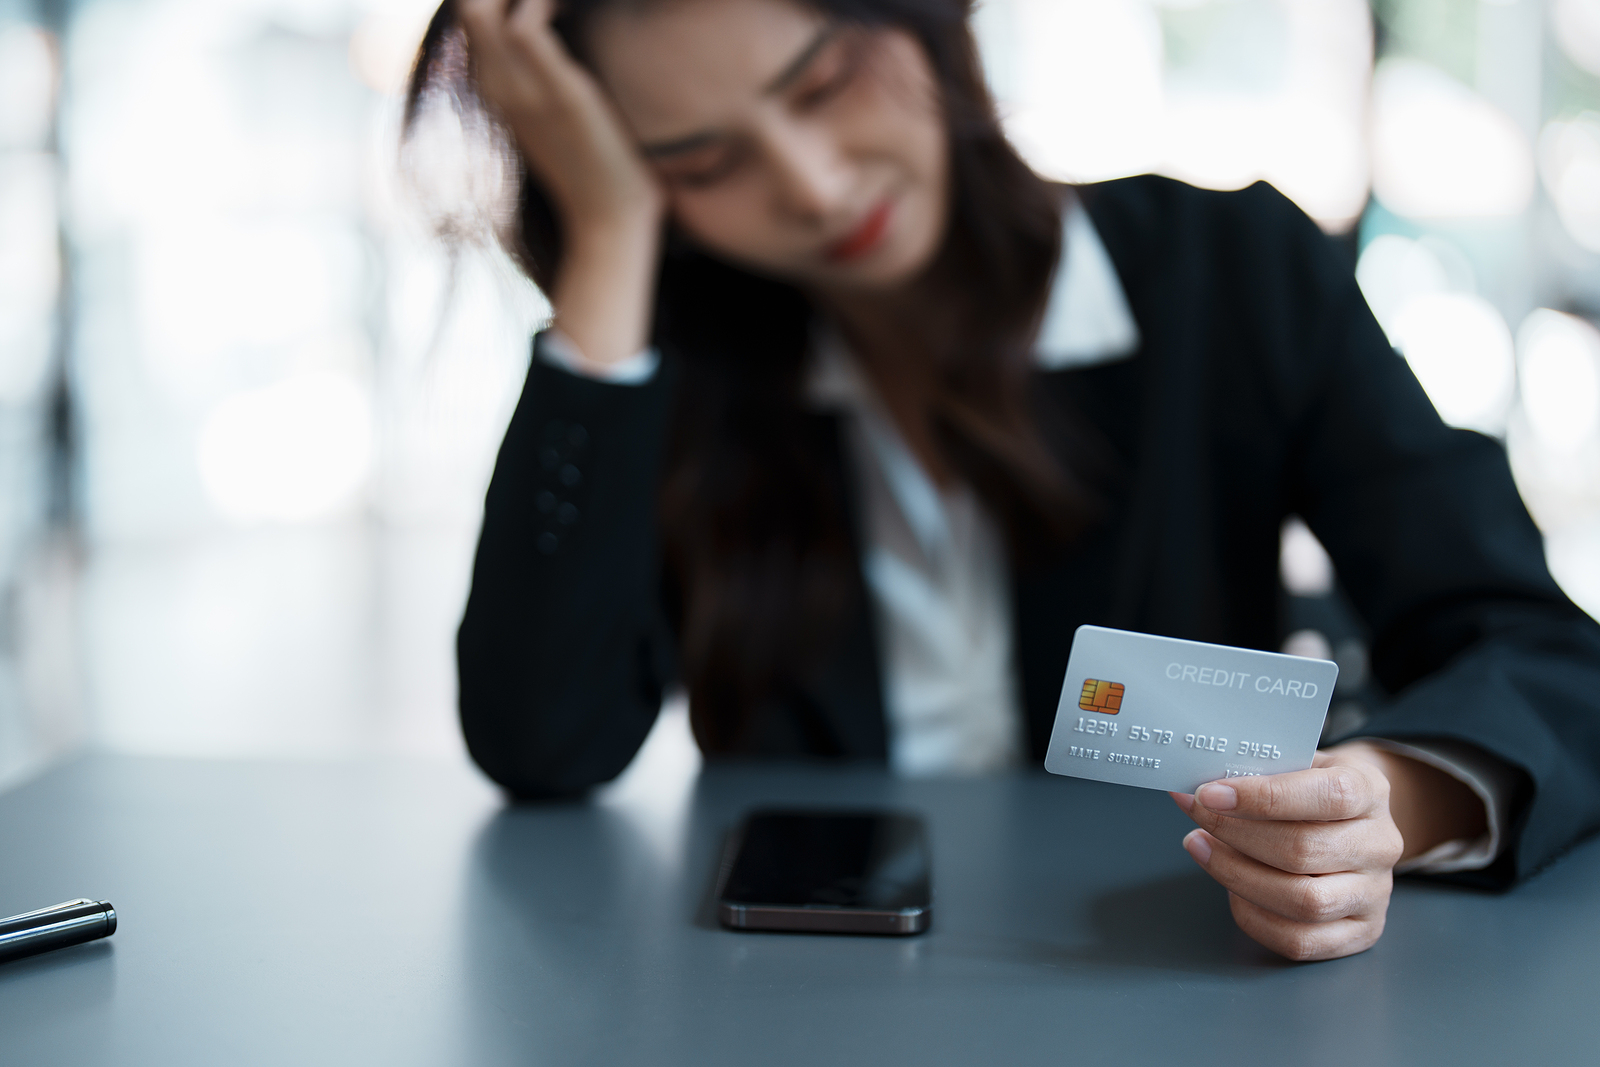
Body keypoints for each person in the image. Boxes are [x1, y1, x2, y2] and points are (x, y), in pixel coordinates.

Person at [406, 0, 1600, 961]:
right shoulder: (686, 378)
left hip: (1152, 971)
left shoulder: (1231, 275)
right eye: (700, 159)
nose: (814, 187)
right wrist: (608, 241)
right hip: (799, 994)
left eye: (820, 84)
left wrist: (1381, 801)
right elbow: (542, 740)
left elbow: (1543, 658)